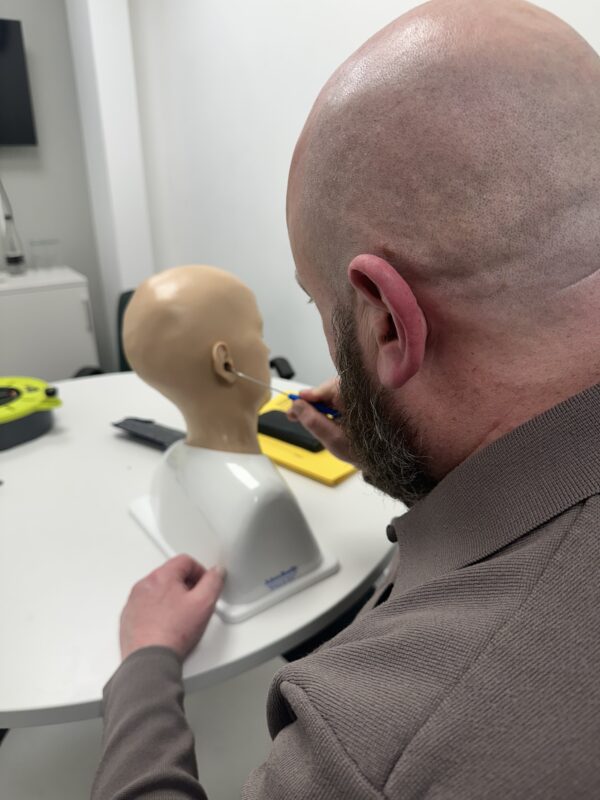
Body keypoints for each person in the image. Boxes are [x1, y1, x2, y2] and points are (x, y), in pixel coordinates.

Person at [92, 0, 600, 797]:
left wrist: (145, 665)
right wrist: (404, 457)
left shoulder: (379, 738)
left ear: (389, 321)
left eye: (315, 304)